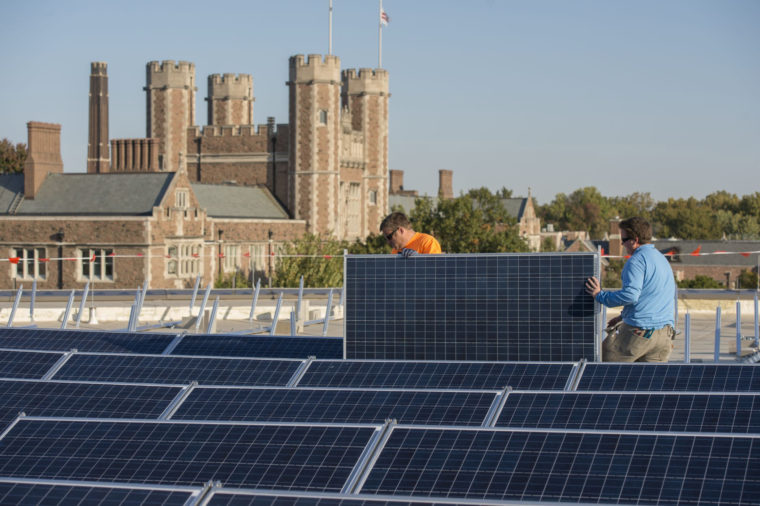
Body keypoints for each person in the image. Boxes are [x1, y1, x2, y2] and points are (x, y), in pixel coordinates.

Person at [585, 217, 675, 362]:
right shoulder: (661, 259)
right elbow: (652, 295)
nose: (622, 244)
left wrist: (599, 295)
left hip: (640, 333)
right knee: (645, 381)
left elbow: (630, 295)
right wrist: (623, 316)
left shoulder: (636, 261)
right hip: (664, 336)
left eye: (624, 240)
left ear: (635, 240)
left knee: (600, 367)